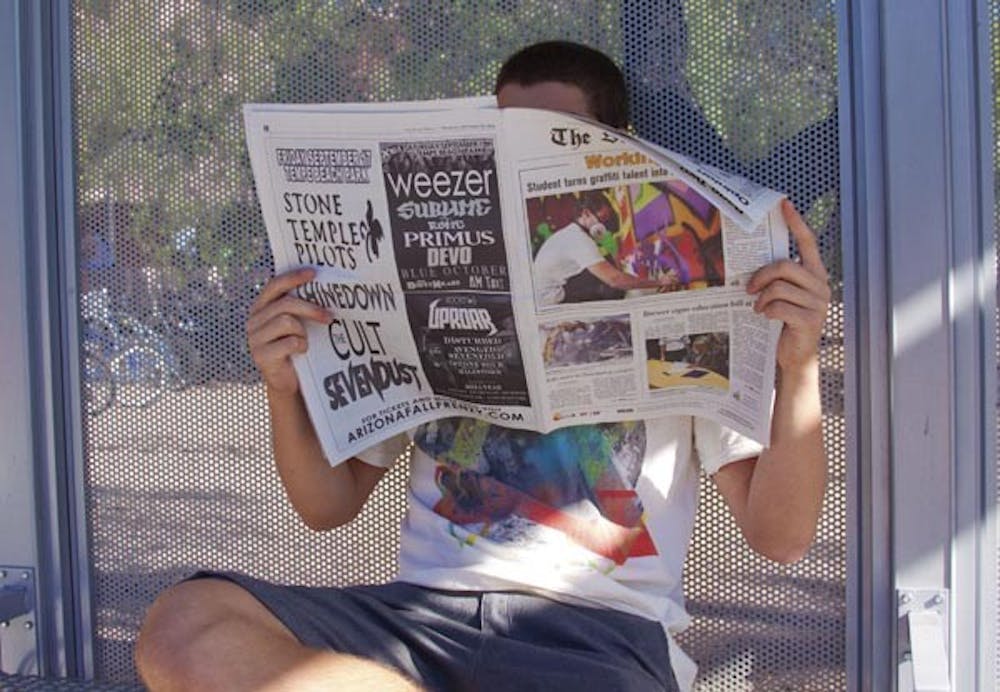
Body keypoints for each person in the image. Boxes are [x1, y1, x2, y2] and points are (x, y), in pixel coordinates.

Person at [135, 41, 830, 692]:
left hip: (596, 642)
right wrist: (282, 387)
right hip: (417, 627)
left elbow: (781, 538)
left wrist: (798, 369)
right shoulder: (429, 294)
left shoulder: (686, 307)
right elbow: (327, 505)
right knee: (185, 629)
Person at [534, 193, 680, 306]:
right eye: (603, 220)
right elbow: (615, 279)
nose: (604, 225)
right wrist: (659, 282)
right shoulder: (579, 240)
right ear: (586, 213)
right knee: (611, 287)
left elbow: (615, 265)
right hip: (551, 300)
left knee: (608, 272)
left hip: (555, 288)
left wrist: (610, 247)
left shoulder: (573, 233)